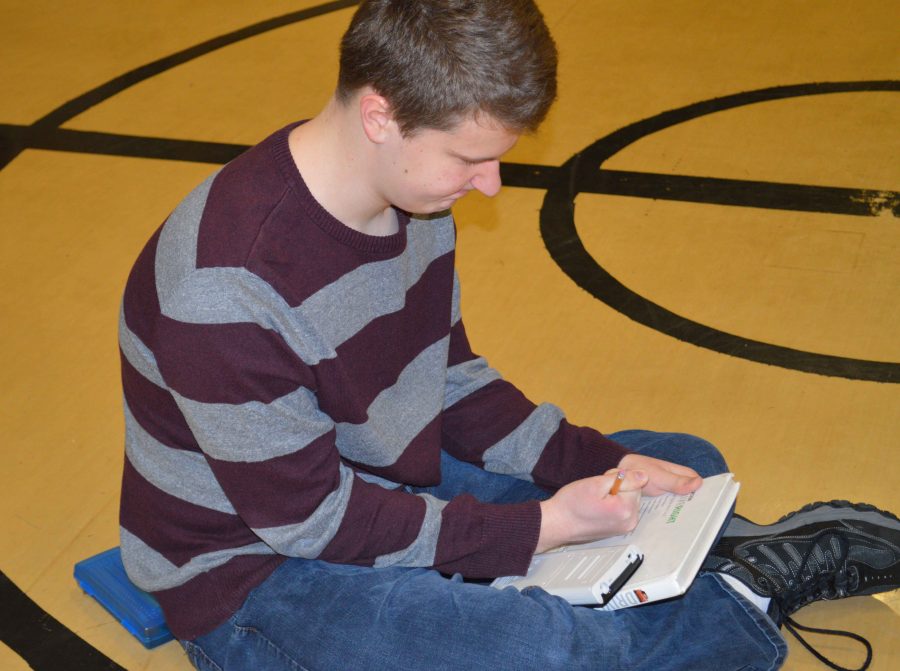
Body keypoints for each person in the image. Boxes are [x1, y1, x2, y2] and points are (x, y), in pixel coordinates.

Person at [117, 1, 899, 670]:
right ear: (381, 114)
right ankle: (742, 589)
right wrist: (539, 529)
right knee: (536, 647)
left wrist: (603, 463)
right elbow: (315, 520)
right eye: (472, 158)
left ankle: (700, 566)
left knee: (683, 464)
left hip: (382, 482)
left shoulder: (414, 197)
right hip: (255, 573)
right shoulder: (226, 287)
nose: (489, 184)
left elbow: (448, 381)